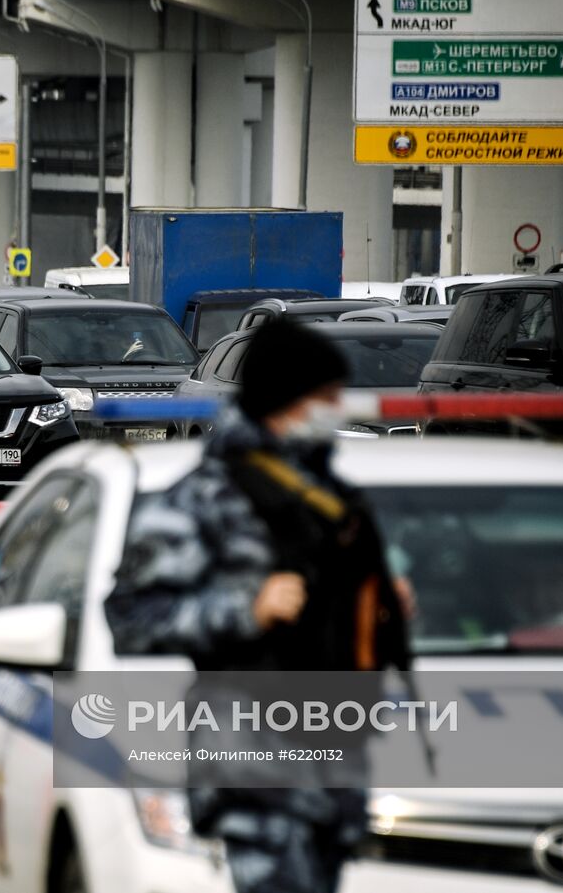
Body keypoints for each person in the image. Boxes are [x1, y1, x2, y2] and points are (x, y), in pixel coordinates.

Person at [104, 315, 412, 893]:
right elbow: (133, 618)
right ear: (284, 399)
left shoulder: (329, 497)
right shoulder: (202, 498)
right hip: (253, 767)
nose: (335, 409)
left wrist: (380, 604)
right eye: (323, 397)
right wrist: (247, 608)